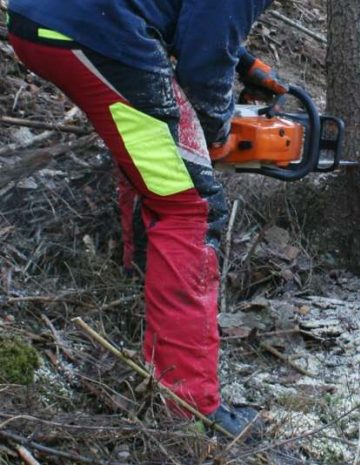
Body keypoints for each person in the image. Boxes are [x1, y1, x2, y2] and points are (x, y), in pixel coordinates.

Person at [6, 0, 287, 437]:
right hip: (91, 30)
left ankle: (138, 278)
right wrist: (211, 136)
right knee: (191, 205)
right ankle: (186, 403)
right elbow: (203, 61)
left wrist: (244, 61)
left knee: (156, 165)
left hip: (45, 16)